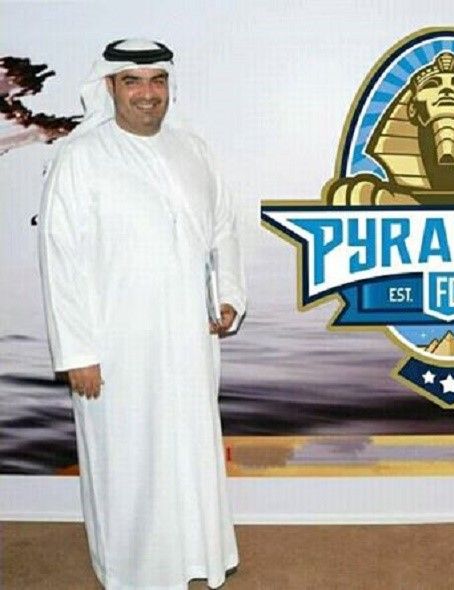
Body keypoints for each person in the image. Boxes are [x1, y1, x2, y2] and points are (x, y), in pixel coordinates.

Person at [37, 39, 246, 589]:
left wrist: (229, 294)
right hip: (116, 345)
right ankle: (131, 571)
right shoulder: (81, 158)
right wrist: (77, 353)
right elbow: (61, 261)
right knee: (127, 458)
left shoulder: (193, 149)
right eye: (132, 81)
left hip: (190, 339)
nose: (147, 93)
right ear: (109, 86)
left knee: (190, 448)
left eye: (157, 80)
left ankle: (195, 558)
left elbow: (223, 228)